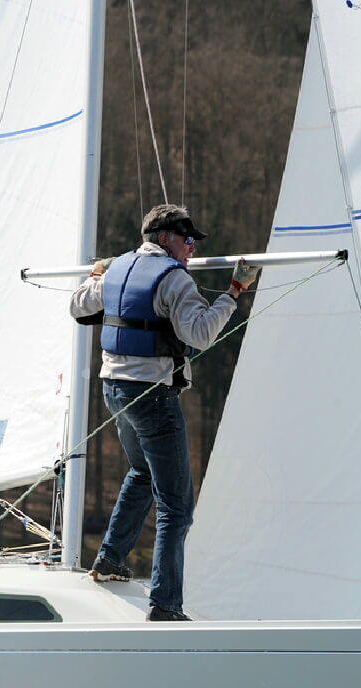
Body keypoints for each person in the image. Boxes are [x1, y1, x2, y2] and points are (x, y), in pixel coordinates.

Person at [69, 204, 259, 621]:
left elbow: (78, 306)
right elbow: (202, 333)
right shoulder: (175, 279)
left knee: (141, 471)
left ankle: (111, 559)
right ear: (166, 237)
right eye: (188, 241)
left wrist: (96, 274)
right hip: (153, 396)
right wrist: (234, 293)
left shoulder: (115, 268)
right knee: (176, 507)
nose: (191, 250)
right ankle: (166, 605)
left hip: (114, 390)